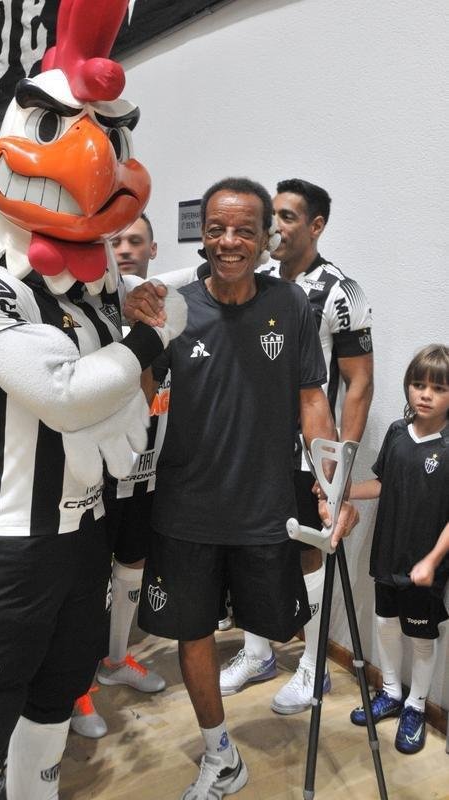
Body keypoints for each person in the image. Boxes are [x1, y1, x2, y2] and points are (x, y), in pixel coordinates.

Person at [125, 177, 359, 799]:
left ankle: (294, 678)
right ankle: (219, 754)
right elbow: (141, 394)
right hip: (186, 508)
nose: (229, 241)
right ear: (202, 235)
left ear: (266, 238)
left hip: (265, 508)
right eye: (217, 229)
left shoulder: (294, 306)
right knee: (193, 633)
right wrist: (137, 334)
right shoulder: (175, 307)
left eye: (244, 230)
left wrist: (331, 489)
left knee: (278, 628)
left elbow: (314, 399)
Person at [219, 179, 374, 709]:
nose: (277, 228)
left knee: (311, 555)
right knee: (254, 549)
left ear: (316, 226)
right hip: (251, 449)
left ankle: (313, 666)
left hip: (309, 454)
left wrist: (339, 467)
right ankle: (258, 650)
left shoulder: (339, 291)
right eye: (274, 217)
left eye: (287, 217)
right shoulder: (254, 279)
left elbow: (359, 382)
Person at [71, 212, 165, 739]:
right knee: (85, 578)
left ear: (153, 249)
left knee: (133, 563)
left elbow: (154, 389)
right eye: (116, 240)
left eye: (135, 240)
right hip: (93, 468)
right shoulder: (85, 305)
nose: (124, 249)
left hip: (145, 465)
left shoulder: (161, 305)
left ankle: (115, 658)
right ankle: (76, 687)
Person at [348, 344, 449, 755]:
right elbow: (384, 484)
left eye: (438, 388)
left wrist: (431, 560)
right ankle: (390, 691)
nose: (425, 394)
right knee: (385, 622)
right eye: (418, 384)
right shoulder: (395, 432)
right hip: (387, 555)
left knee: (420, 636)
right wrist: (347, 493)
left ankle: (417, 707)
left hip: (424, 566)